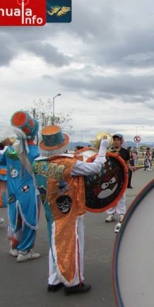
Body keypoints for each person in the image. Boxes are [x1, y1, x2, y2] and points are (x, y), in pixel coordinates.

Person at [34, 126, 109, 295]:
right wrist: (103, 148)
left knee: (54, 242)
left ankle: (54, 279)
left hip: (50, 209)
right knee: (72, 244)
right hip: (69, 209)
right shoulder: (68, 164)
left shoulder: (37, 163)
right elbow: (95, 168)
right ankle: (73, 282)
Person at [0, 111, 41, 262]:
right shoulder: (36, 151)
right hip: (29, 190)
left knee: (15, 217)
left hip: (12, 189)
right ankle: (25, 250)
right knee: (30, 218)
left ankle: (15, 246)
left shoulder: (10, 150)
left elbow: (1, 161)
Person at [104, 134, 136, 233]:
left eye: (118, 140)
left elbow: (127, 163)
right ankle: (111, 214)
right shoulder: (109, 151)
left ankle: (121, 213)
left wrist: (131, 168)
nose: (116, 141)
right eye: (114, 140)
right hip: (111, 177)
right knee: (111, 195)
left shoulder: (125, 152)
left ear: (121, 141)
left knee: (121, 195)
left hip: (122, 176)